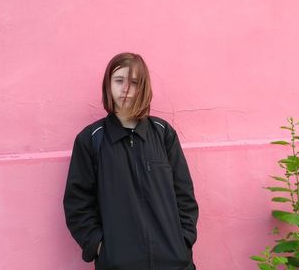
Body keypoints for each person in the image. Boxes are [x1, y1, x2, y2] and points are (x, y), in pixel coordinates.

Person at [63, 52, 199, 270]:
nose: (125, 89)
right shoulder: (91, 139)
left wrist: (183, 240)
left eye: (134, 82)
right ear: (108, 85)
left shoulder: (163, 133)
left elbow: (184, 193)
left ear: (142, 88)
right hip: (118, 264)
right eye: (119, 81)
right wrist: (101, 248)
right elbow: (77, 204)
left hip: (174, 262)